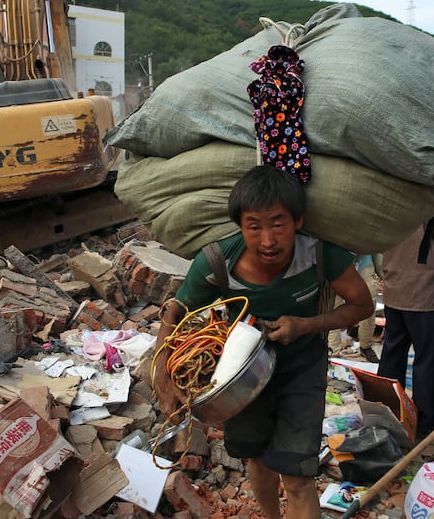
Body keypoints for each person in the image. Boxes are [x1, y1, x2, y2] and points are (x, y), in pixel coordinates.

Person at [155, 165, 373, 519]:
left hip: (302, 368)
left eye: (278, 224)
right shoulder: (216, 261)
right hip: (238, 376)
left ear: (298, 221)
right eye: (254, 227)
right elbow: (176, 310)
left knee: (298, 477)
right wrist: (163, 374)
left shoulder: (319, 254)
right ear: (240, 226)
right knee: (257, 458)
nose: (267, 240)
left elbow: (362, 304)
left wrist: (304, 325)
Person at [377, 204, 434, 440]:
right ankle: (423, 421)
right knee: (427, 359)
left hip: (394, 287)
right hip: (424, 293)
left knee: (393, 352)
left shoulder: (397, 196)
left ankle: (386, 414)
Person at [328, 253, 383, 363]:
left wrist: (381, 272)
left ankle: (365, 346)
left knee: (369, 305)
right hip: (336, 261)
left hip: (363, 260)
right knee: (333, 308)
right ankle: (333, 351)